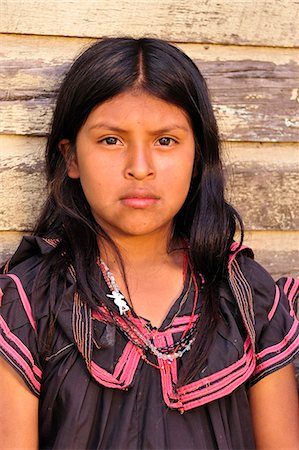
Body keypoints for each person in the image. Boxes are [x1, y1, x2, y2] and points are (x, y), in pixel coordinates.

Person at [0, 37, 298, 450]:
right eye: (111, 140)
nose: (139, 168)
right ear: (70, 158)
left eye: (165, 141)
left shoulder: (245, 296)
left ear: (197, 158)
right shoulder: (32, 301)